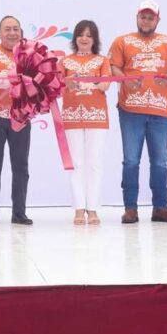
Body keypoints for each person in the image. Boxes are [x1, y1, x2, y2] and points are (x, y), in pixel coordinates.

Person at [109, 0, 167, 224]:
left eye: (150, 17)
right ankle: (130, 208)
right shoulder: (122, 41)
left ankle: (160, 207)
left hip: (160, 110)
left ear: (157, 19)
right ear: (137, 18)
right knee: (131, 161)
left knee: (160, 161)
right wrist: (124, 80)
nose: (146, 20)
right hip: (130, 109)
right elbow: (113, 66)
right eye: (143, 16)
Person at [0, 15, 34, 226]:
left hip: (21, 115)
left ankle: (19, 212)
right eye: (7, 29)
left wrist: (7, 76)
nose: (12, 33)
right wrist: (17, 78)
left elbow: (37, 80)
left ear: (21, 32)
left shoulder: (30, 53)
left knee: (20, 165)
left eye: (16, 29)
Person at [61, 20, 111, 225]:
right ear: (75, 38)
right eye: (81, 34)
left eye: (89, 35)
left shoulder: (102, 60)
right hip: (72, 115)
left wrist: (95, 83)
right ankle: (79, 209)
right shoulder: (64, 61)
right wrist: (69, 83)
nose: (84, 38)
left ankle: (93, 209)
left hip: (97, 116)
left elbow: (106, 84)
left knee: (94, 164)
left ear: (94, 39)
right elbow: (58, 85)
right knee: (76, 164)